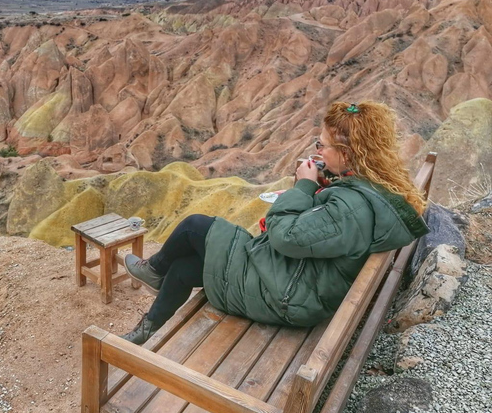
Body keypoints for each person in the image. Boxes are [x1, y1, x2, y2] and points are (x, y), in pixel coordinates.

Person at [121, 101, 429, 344]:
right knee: (185, 267)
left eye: (322, 146)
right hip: (297, 282)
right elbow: (332, 223)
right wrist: (328, 180)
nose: (317, 151)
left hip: (285, 295)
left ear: (347, 154)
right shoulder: (371, 191)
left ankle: (154, 270)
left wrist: (305, 186)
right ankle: (147, 329)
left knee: (195, 226)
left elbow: (285, 237)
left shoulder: (352, 208)